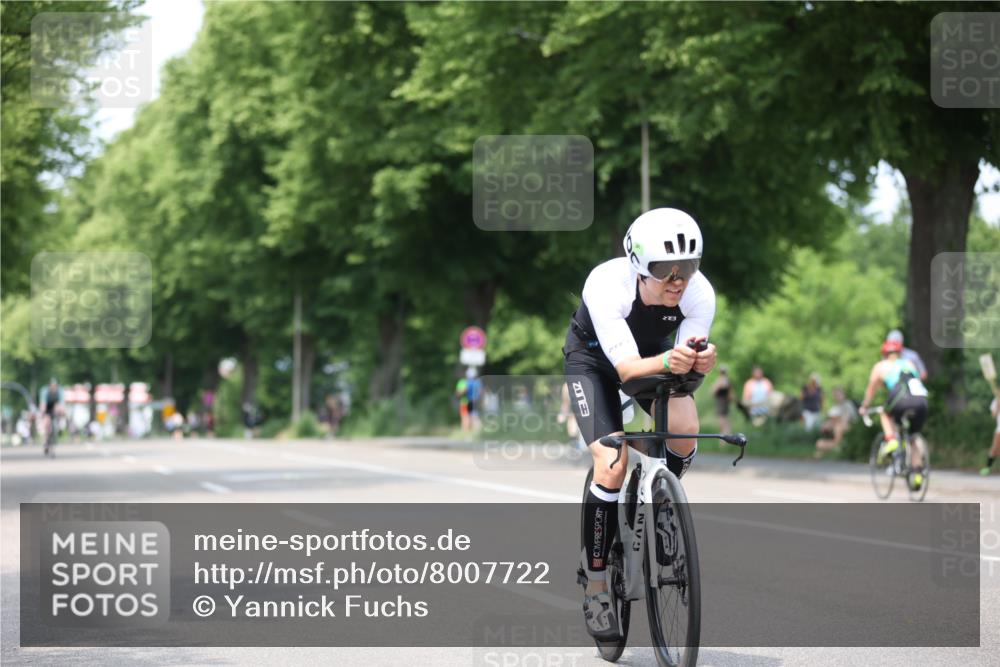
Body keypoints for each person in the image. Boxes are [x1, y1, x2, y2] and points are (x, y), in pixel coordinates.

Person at [563, 207, 716, 640]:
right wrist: (671, 359)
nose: (677, 280)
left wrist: (698, 363)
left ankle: (663, 501)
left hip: (653, 358)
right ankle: (595, 584)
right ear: (638, 267)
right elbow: (628, 370)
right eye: (665, 270)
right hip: (593, 362)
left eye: (686, 267)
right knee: (611, 461)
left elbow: (683, 372)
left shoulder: (700, 294)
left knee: (684, 428)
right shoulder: (606, 284)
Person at [859, 338, 930, 491]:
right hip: (921, 400)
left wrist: (864, 406)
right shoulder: (909, 364)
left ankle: (891, 440)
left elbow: (871, 389)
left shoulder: (880, 366)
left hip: (901, 396)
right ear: (900, 353)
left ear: (884, 353)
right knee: (913, 437)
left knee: (884, 412)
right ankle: (917, 474)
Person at [814, 387, 856, 457]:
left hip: (849, 426)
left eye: (838, 394)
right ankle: (834, 447)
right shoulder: (835, 407)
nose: (837, 397)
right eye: (835, 395)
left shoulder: (847, 404)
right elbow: (831, 419)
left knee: (838, 428)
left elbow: (846, 420)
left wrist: (833, 423)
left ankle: (837, 446)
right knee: (820, 441)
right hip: (837, 428)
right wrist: (827, 424)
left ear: (843, 394)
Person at [38, 378, 65, 453]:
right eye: (52, 386)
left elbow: (62, 403)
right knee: (46, 422)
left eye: (55, 386)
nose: (53, 388)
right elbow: (43, 404)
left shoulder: (60, 391)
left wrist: (62, 411)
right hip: (47, 406)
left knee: (59, 410)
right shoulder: (44, 391)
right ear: (49, 386)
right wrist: (42, 413)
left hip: (55, 405)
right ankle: (46, 442)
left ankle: (59, 426)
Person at [712, 366, 734, 434]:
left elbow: (713, 391)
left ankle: (725, 434)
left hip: (721, 402)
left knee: (722, 419)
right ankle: (727, 434)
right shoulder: (726, 380)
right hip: (724, 402)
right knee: (725, 419)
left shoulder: (720, 380)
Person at [982, 395, 1000, 476]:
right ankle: (987, 468)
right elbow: (994, 415)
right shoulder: (996, 401)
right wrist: (998, 406)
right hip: (999, 429)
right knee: (994, 449)